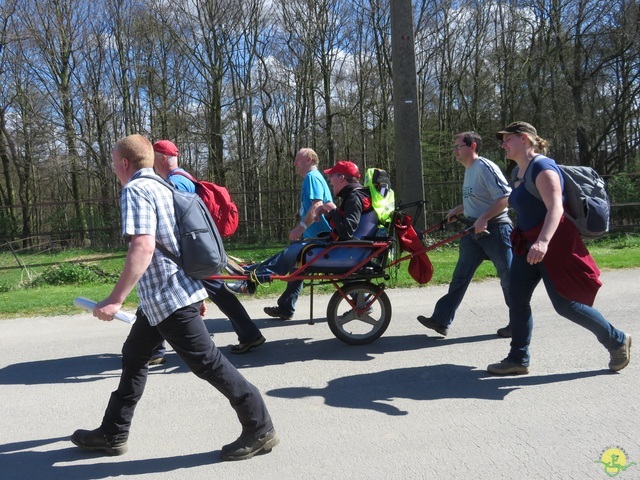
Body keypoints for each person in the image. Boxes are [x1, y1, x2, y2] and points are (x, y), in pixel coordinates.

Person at [70, 134, 278, 460]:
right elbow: (180, 243)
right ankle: (113, 432)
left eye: (113, 163)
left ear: (125, 163)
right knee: (135, 357)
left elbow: (144, 246)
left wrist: (114, 299)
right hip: (164, 297)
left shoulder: (136, 190)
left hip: (167, 299)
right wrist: (197, 292)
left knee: (209, 364)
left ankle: (260, 427)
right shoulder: (162, 185)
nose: (113, 169)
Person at [487, 121, 631, 375]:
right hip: (527, 244)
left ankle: (617, 340)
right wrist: (483, 217)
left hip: (553, 244)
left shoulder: (542, 168)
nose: (503, 144)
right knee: (517, 299)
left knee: (566, 305)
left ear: (525, 139)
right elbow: (511, 200)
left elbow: (556, 207)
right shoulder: (518, 172)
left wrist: (543, 241)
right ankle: (518, 359)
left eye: (507, 139)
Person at [152, 140, 265, 354]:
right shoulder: (185, 178)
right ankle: (250, 334)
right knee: (216, 292)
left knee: (163, 292)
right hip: (199, 247)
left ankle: (155, 350)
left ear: (162, 158)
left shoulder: (175, 184)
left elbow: (179, 222)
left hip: (193, 251)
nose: (150, 163)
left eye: (152, 156)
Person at [225, 160, 377, 293]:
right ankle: (250, 273)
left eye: (332, 176)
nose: (330, 180)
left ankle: (251, 279)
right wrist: (329, 212)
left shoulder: (354, 198)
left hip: (344, 252)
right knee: (294, 249)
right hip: (345, 249)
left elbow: (346, 232)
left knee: (294, 250)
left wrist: (333, 210)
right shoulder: (356, 195)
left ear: (342, 178)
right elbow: (346, 225)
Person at [416, 131, 513, 337]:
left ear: (473, 146)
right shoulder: (469, 170)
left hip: (495, 229)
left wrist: (484, 218)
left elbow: (505, 197)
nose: (455, 151)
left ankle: (518, 323)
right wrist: (457, 210)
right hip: (473, 230)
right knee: (460, 277)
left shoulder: (485, 167)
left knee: (508, 277)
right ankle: (441, 320)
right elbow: (478, 199)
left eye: (458, 146)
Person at [262, 148, 332, 320]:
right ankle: (285, 307)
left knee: (328, 269)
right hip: (317, 235)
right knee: (298, 269)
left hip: (320, 236)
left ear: (308, 160)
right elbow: (313, 207)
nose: (295, 164)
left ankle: (360, 298)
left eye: (297, 160)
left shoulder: (312, 177)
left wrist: (299, 228)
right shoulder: (314, 178)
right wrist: (302, 215)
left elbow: (317, 206)